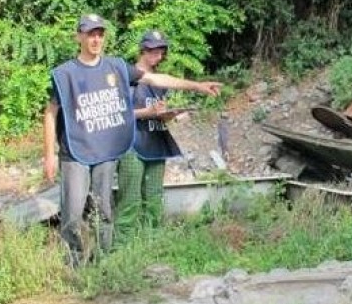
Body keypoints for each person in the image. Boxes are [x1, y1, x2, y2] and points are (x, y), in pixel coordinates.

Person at [43, 15, 221, 266]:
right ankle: (74, 264)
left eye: (100, 34)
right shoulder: (66, 74)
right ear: (79, 37)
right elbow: (51, 113)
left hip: (105, 151)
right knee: (72, 215)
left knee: (104, 211)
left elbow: (155, 79)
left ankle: (103, 263)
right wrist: (49, 155)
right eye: (90, 34)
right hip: (75, 151)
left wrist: (197, 86)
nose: (96, 39)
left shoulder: (116, 67)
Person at [115, 30, 184, 242]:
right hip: (132, 145)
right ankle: (122, 246)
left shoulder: (160, 82)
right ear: (143, 50)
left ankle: (151, 242)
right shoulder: (126, 77)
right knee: (130, 199)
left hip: (156, 143)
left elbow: (160, 112)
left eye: (161, 51)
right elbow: (117, 114)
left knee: (154, 197)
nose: (158, 55)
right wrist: (147, 113)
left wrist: (169, 114)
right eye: (154, 50)